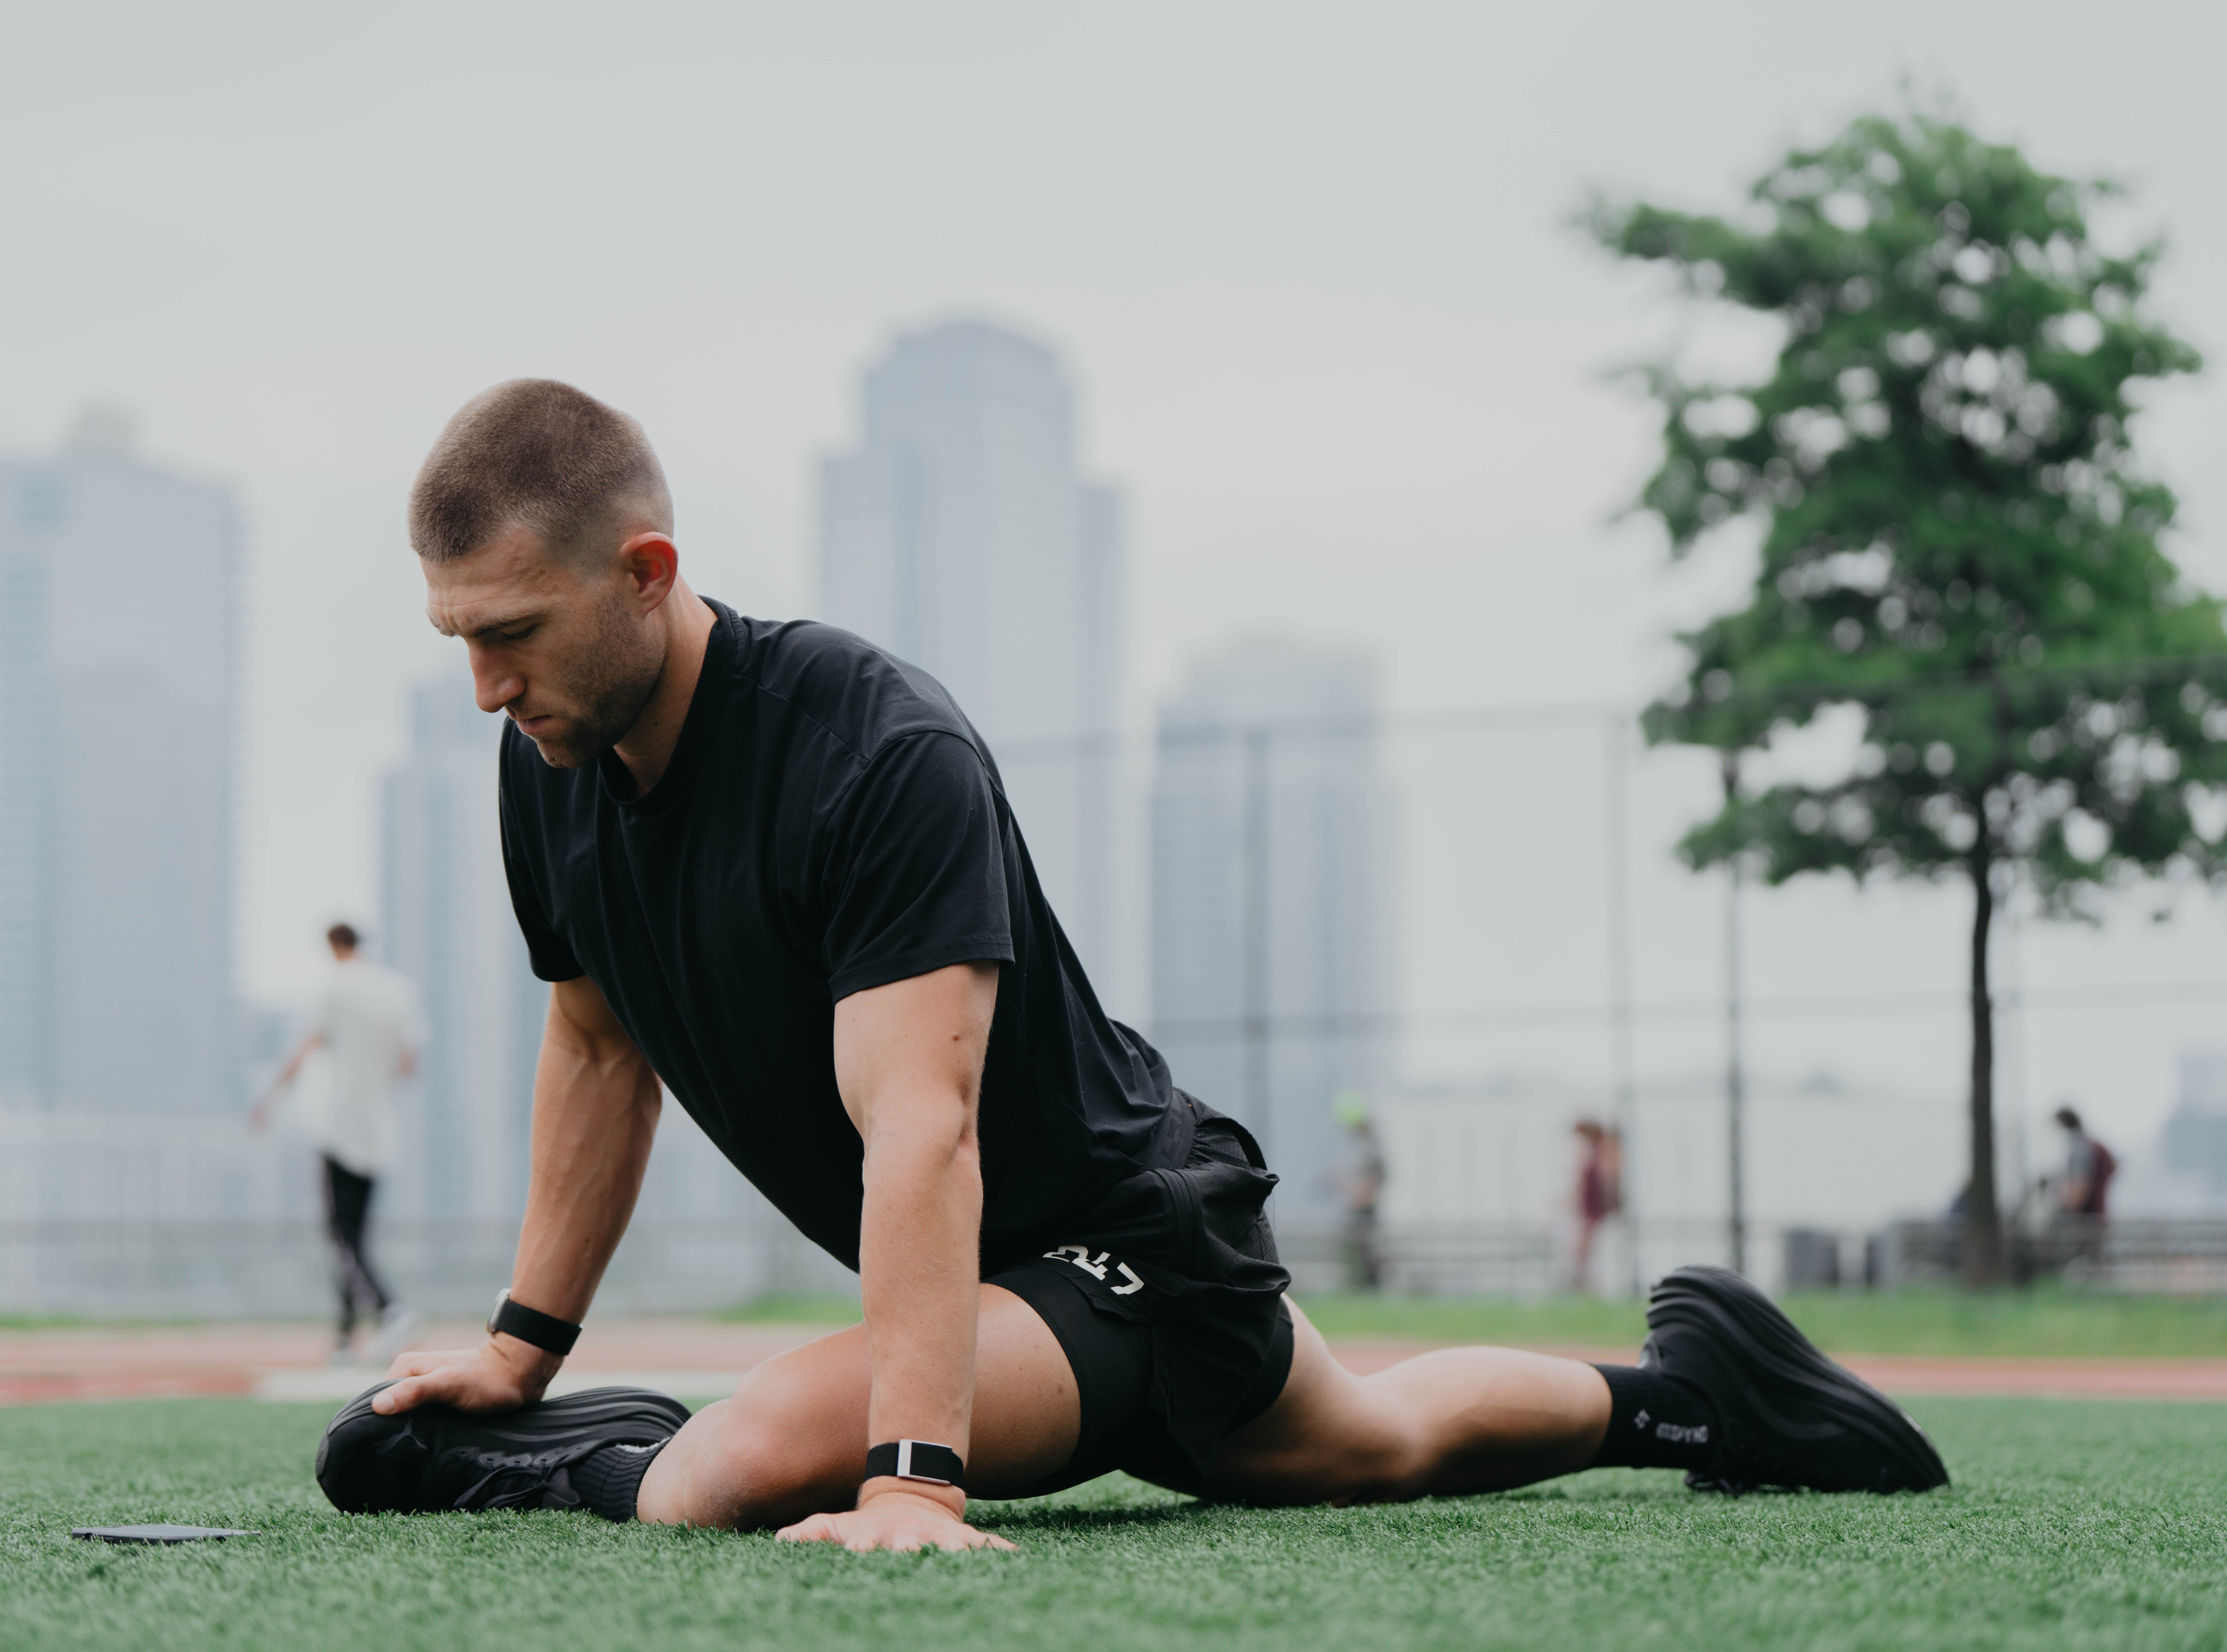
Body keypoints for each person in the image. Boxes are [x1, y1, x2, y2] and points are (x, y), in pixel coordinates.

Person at [312, 379, 1946, 1551]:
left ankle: (581, 1462)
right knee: (1367, 1442)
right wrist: (521, 1342)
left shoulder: (872, 746)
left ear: (647, 573)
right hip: (1029, 1287)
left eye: (509, 630)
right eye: (457, 634)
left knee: (734, 1457)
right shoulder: (549, 765)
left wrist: (908, 1475)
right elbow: (600, 1049)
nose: (481, 683)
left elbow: (922, 1123)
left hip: (1119, 1244)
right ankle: (1689, 1399)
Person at [254, 922, 428, 1366]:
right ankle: (345, 1337)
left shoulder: (333, 989)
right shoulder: (397, 990)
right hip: (380, 1130)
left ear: (333, 946)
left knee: (340, 1235)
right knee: (353, 1234)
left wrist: (270, 1098)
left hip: (338, 1125)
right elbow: (409, 1064)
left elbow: (306, 1045)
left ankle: (391, 1309)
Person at [1332, 1093, 1386, 1293]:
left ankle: (1371, 1288)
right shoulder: (1359, 1145)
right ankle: (1360, 1288)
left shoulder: (1371, 1146)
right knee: (1354, 1250)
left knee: (1368, 1251)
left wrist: (1361, 1195)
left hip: (1365, 1208)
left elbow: (1378, 1177)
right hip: (1356, 1207)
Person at [1570, 1118, 1624, 1296]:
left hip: (1597, 1207)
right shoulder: (1594, 1152)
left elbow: (1609, 1178)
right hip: (1590, 1206)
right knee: (1584, 1248)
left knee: (1587, 1248)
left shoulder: (1606, 1152)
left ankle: (1586, 1284)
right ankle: (1584, 1283)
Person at [2052, 1106, 2118, 1220]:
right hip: (2096, 1218)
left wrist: (2059, 1193)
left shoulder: (2080, 1149)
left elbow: (2078, 1197)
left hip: (2084, 1224)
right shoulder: (2092, 1146)